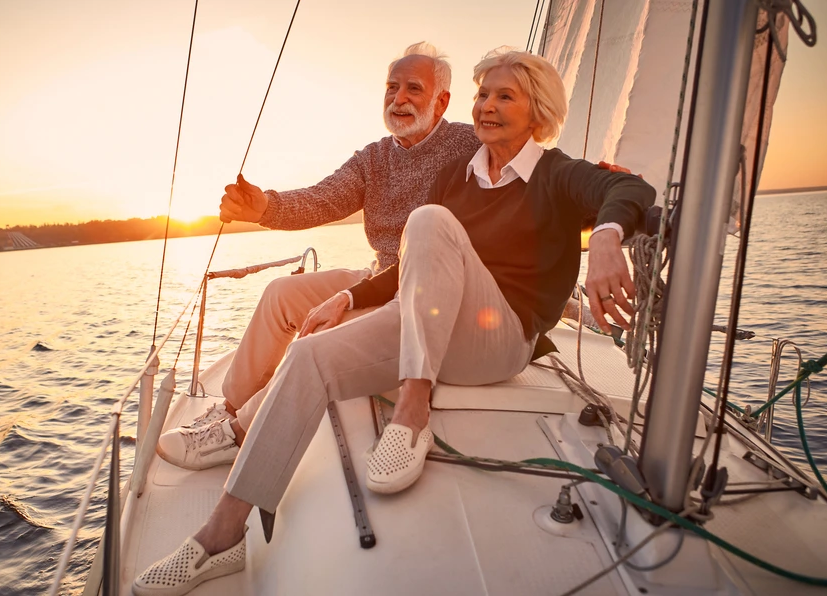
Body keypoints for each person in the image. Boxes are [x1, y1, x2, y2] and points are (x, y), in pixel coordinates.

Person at [131, 47, 655, 596]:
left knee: (427, 220)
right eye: (484, 95)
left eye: (506, 96)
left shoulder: (556, 173)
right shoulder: (459, 173)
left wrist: (605, 237)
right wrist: (349, 297)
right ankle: (222, 535)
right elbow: (410, 261)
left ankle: (412, 410)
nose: (488, 106)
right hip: (433, 319)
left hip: (500, 339)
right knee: (309, 354)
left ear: (537, 110)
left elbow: (630, 190)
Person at [156, 42, 481, 470]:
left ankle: (245, 431)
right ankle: (229, 409)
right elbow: (321, 200)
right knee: (281, 294)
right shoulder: (375, 158)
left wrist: (599, 198)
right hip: (379, 277)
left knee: (326, 331)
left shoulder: (470, 143)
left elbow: (530, 166)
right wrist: (263, 208)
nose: (398, 98)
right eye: (391, 86)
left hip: (425, 295)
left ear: (441, 101)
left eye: (413, 88)